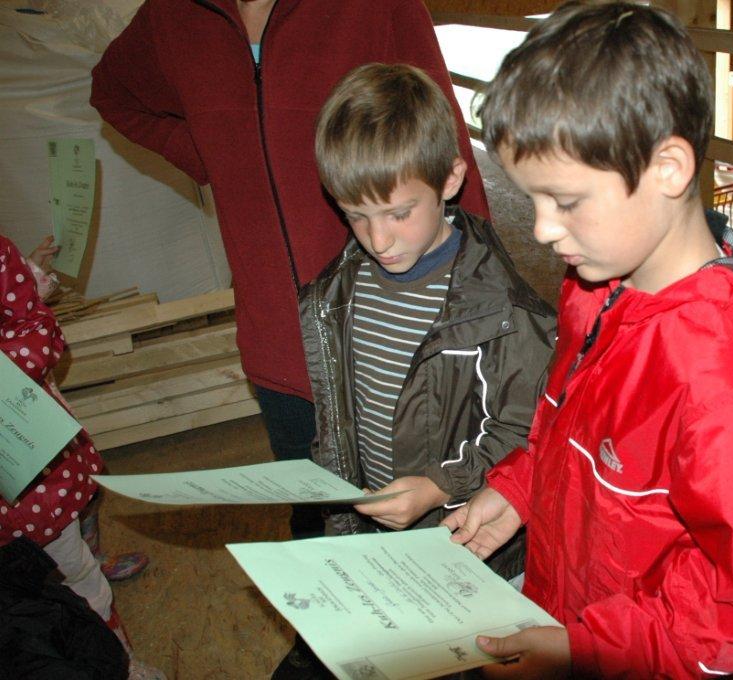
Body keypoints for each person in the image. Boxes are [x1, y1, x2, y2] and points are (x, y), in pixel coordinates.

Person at [441, 3, 733, 678]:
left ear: (668, 168)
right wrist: (521, 490)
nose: (543, 229)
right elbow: (568, 429)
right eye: (533, 200)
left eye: (565, 201)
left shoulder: (729, 392)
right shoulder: (594, 289)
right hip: (563, 606)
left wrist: (585, 652)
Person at [90, 0, 489, 539]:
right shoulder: (172, 15)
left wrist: (479, 286)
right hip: (279, 341)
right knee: (315, 519)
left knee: (421, 521)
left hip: (395, 332)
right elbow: (113, 92)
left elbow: (445, 137)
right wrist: (209, 152)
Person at [276, 63, 556, 678]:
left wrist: (436, 486)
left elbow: (526, 434)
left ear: (450, 179)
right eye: (355, 215)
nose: (378, 239)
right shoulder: (339, 291)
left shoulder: (505, 311)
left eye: (399, 212)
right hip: (374, 536)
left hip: (467, 551)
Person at [0, 234, 165, 680]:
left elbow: (30, 326)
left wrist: (29, 272)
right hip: (23, 480)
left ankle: (119, 662)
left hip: (27, 450)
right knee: (61, 564)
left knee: (77, 523)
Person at [24, 236, 151, 582]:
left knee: (87, 491)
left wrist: (30, 271)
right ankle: (73, 580)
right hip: (21, 427)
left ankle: (92, 560)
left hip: (45, 413)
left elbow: (12, 305)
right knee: (51, 512)